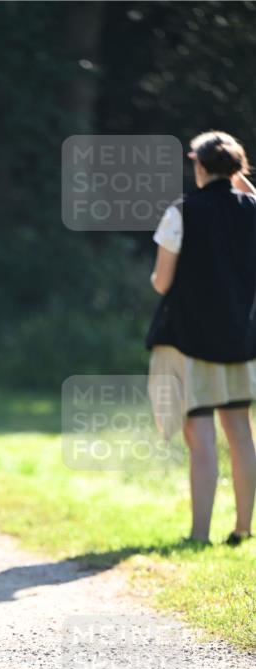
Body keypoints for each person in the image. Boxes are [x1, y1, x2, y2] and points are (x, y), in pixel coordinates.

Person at [147, 130, 256, 545]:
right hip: (240, 338)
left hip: (190, 339)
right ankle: (243, 528)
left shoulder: (182, 212)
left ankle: (198, 534)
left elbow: (162, 282)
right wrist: (240, 183)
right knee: (241, 432)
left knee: (200, 433)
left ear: (198, 164)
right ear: (236, 167)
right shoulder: (252, 209)